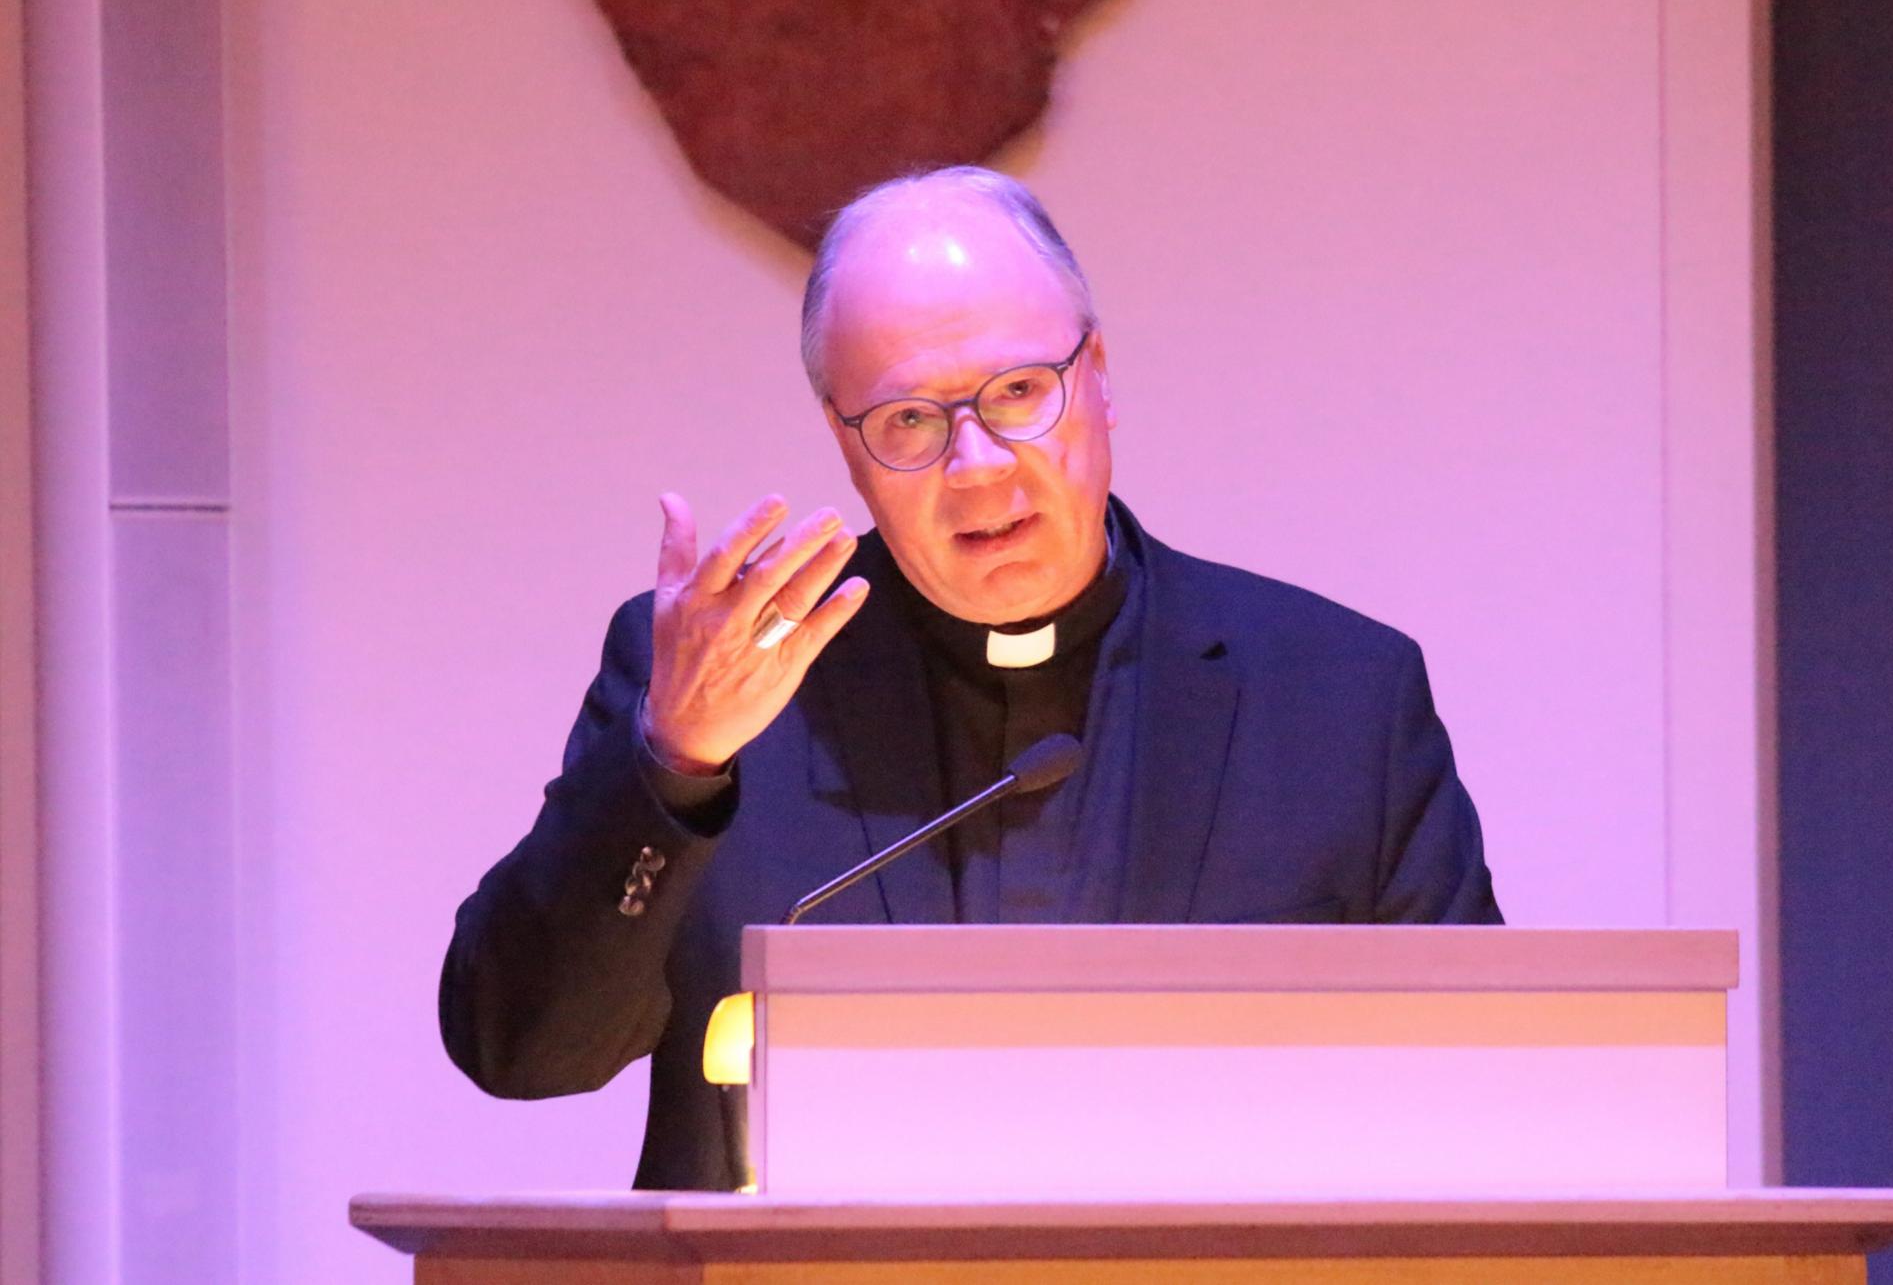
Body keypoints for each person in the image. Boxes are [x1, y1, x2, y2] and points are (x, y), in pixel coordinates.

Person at [439, 166, 1502, 1191]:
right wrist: (672, 771)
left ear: (1097, 379)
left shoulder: (1336, 700)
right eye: (908, 420)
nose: (978, 464)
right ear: (844, 443)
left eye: (1019, 392)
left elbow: (1474, 1104)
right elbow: (522, 1050)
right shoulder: (717, 682)